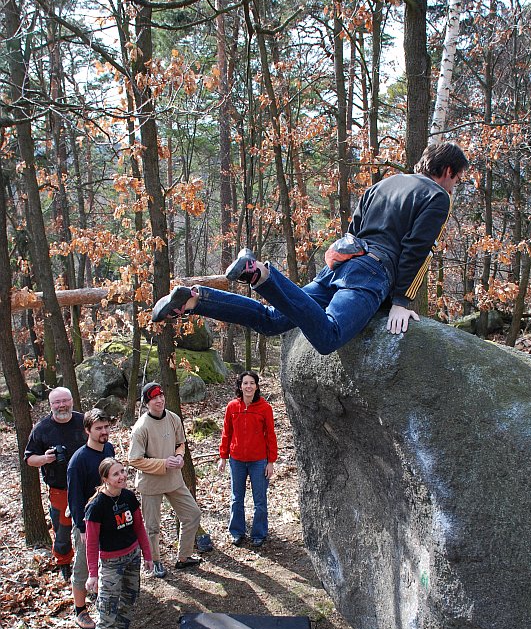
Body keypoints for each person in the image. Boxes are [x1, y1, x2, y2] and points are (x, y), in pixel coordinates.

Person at [152, 142, 469, 355]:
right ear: (449, 171)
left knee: (272, 320)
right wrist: (401, 301)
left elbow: (353, 230)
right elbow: (416, 248)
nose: (455, 185)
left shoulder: (385, 184)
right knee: (328, 336)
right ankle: (262, 275)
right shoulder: (437, 196)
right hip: (371, 273)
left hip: (342, 263)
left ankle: (196, 299)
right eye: (457, 179)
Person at [128, 382, 212, 578]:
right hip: (151, 484)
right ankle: (155, 561)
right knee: (152, 527)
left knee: (192, 514)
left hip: (174, 480)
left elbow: (180, 443)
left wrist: (180, 456)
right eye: (154, 398)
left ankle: (184, 557)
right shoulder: (141, 428)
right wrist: (163, 463)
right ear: (147, 403)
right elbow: (134, 459)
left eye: (161, 396)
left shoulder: (173, 418)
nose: (159, 400)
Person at [85, 458, 153, 629]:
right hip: (111, 562)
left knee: (129, 598)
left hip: (132, 555)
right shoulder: (96, 506)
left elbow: (140, 527)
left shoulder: (129, 497)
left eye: (122, 472)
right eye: (116, 474)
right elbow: (92, 543)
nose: (122, 476)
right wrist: (93, 574)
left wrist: (148, 556)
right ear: (105, 479)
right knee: (107, 609)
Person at [24, 387, 86, 580]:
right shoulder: (42, 428)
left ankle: (94, 560)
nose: (62, 406)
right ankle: (64, 563)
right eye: (57, 403)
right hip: (60, 489)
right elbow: (28, 459)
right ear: (51, 405)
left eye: (65, 401)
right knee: (62, 529)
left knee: (92, 524)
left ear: (72, 401)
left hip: (88, 486)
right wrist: (44, 459)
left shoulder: (84, 421)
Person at [66, 408, 115, 629]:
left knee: (106, 561)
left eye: (106, 427)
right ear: (88, 430)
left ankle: (101, 596)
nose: (104, 432)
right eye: (98, 428)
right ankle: (80, 610)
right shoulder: (79, 460)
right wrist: (81, 527)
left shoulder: (109, 449)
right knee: (83, 566)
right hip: (87, 522)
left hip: (108, 518)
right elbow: (74, 497)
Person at [218, 371, 278, 548]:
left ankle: (259, 534)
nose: (248, 386)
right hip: (236, 460)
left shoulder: (264, 408)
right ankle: (236, 532)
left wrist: (271, 461)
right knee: (237, 498)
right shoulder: (232, 407)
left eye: (252, 383)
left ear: (257, 386)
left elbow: (271, 436)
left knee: (259, 500)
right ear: (240, 386)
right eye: (245, 383)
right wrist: (223, 457)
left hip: (259, 461)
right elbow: (226, 433)